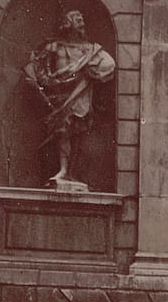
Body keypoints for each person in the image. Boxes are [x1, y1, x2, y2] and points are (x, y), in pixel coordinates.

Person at [23, 10, 116, 189]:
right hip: (57, 93)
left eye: (82, 19)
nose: (81, 22)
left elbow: (109, 65)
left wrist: (88, 70)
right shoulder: (54, 46)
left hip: (79, 92)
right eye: (77, 19)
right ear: (67, 23)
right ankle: (63, 170)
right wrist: (42, 81)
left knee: (76, 130)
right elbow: (38, 67)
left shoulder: (90, 49)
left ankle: (70, 171)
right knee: (62, 130)